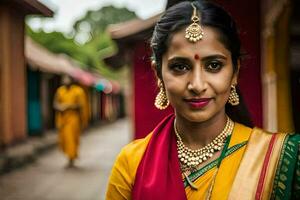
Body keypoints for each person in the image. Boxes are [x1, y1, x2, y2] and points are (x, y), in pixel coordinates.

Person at [106, 1, 299, 199]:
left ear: (235, 72)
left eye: (214, 65)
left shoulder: (280, 158)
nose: (197, 85)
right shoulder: (132, 163)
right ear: (158, 74)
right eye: (180, 67)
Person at [53, 75, 88, 167]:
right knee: (64, 139)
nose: (65, 81)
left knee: (72, 138)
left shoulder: (78, 91)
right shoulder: (60, 91)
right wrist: (60, 107)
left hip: (73, 119)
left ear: (72, 81)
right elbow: (55, 103)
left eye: (67, 79)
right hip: (63, 119)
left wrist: (68, 106)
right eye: (64, 79)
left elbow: (81, 105)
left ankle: (71, 158)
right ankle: (69, 157)